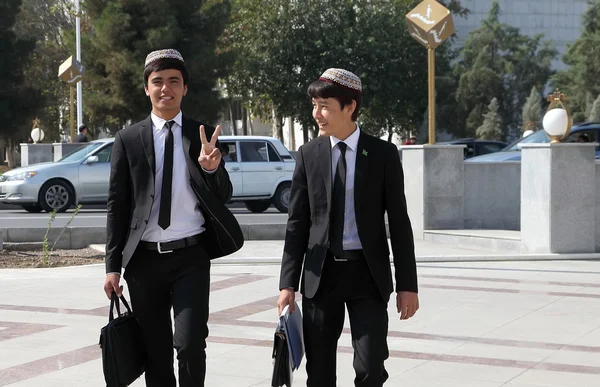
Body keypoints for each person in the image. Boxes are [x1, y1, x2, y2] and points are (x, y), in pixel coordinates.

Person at [103, 48, 244, 387]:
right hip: (143, 263)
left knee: (191, 344)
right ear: (146, 88)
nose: (165, 89)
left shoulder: (201, 134)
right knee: (156, 352)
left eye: (173, 82)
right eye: (158, 82)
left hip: (191, 257)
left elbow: (223, 195)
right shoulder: (128, 139)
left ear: (185, 88)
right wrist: (112, 265)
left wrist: (212, 169)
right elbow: (117, 203)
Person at [277, 68, 419, 387]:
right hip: (320, 277)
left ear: (350, 107)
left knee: (371, 368)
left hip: (367, 276)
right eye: (314, 105)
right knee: (321, 373)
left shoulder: (382, 155)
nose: (317, 114)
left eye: (324, 105)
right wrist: (287, 283)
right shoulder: (308, 156)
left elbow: (399, 221)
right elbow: (297, 223)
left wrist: (408, 284)